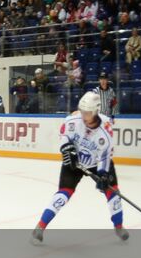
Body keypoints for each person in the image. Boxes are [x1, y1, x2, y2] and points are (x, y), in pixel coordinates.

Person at [30, 91, 126, 244]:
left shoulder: (105, 132)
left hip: (96, 163)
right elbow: (63, 135)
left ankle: (119, 226)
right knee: (63, 193)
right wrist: (67, 148)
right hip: (74, 160)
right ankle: (40, 227)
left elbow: (104, 156)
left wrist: (103, 174)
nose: (83, 115)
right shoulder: (74, 120)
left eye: (87, 112)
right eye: (82, 111)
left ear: (95, 111)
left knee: (113, 192)